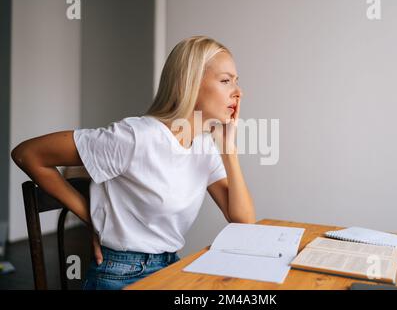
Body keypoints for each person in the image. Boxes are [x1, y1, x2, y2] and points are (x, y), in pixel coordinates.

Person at [11, 35, 255, 290]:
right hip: (121, 274)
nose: (238, 92)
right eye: (226, 81)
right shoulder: (137, 137)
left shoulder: (204, 145)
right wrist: (92, 217)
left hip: (169, 267)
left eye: (236, 81)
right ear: (190, 83)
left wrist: (229, 149)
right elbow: (27, 154)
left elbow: (242, 219)